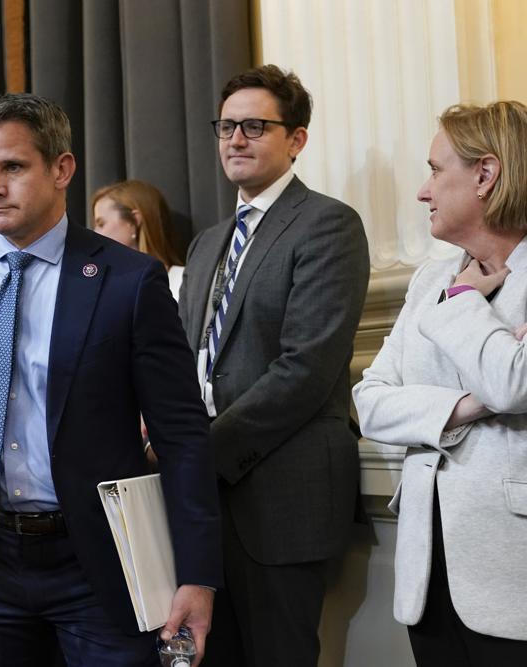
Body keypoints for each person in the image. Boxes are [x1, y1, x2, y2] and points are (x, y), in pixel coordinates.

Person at [0, 93, 222, 666]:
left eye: (13, 167)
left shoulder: (129, 281)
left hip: (95, 563)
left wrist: (197, 576)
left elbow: (182, 434)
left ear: (61, 169)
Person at [177, 65, 370, 667]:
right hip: (201, 503)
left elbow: (304, 371)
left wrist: (198, 450)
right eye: (227, 126)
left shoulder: (328, 224)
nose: (236, 138)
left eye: (255, 126)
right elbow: (190, 359)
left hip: (281, 500)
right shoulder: (208, 241)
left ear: (297, 139)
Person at [353, 101, 527, 667]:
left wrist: (463, 305)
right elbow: (371, 400)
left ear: (485, 174)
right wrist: (467, 405)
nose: (423, 192)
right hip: (430, 578)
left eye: (434, 170)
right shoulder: (431, 277)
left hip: (512, 576)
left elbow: (513, 383)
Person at [91, 180, 184, 298]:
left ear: (134, 221)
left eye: (101, 224)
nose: (95, 233)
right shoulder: (106, 290)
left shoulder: (185, 281)